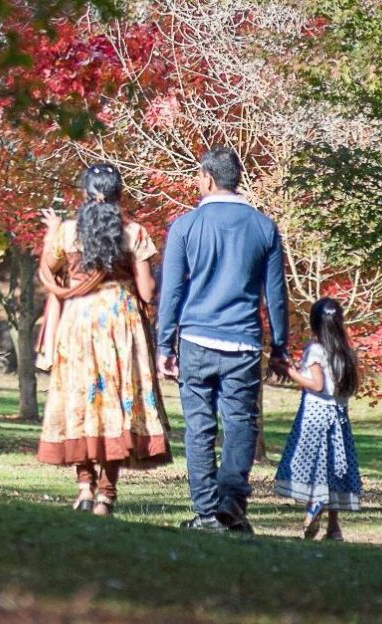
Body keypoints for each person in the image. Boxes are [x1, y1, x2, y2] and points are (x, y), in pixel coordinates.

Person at [157, 147, 290, 534]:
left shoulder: (185, 226)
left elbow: (172, 294)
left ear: (208, 179)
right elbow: (276, 295)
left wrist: (165, 345)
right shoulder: (264, 227)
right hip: (244, 343)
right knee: (241, 424)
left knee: (199, 427)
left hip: (196, 339)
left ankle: (207, 513)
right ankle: (232, 502)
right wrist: (280, 347)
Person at [36, 163, 172, 516]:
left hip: (79, 321)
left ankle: (84, 487)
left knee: (82, 399)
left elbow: (49, 270)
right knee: (118, 402)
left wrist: (52, 232)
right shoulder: (134, 233)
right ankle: (106, 495)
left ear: (85, 193)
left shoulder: (67, 232)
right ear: (119, 193)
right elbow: (146, 290)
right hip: (120, 322)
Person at [275, 298, 362, 540]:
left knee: (317, 468)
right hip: (340, 418)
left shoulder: (315, 349)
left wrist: (290, 371)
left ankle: (314, 508)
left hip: (315, 417)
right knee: (334, 469)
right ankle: (334, 527)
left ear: (315, 322)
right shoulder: (345, 351)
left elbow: (316, 384)